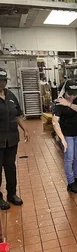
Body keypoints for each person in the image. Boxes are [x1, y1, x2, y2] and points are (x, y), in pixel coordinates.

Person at [0, 68, 29, 210]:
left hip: (11, 138)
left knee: (10, 168)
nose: (2, 83)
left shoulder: (11, 95)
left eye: (4, 80)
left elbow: (17, 115)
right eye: (0, 81)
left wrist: (25, 129)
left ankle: (12, 194)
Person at [52, 79, 77, 194]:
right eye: (70, 94)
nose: (72, 97)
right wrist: (62, 139)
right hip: (67, 135)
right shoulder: (58, 102)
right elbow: (55, 121)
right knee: (69, 158)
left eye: (74, 94)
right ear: (64, 92)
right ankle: (71, 182)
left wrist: (69, 104)